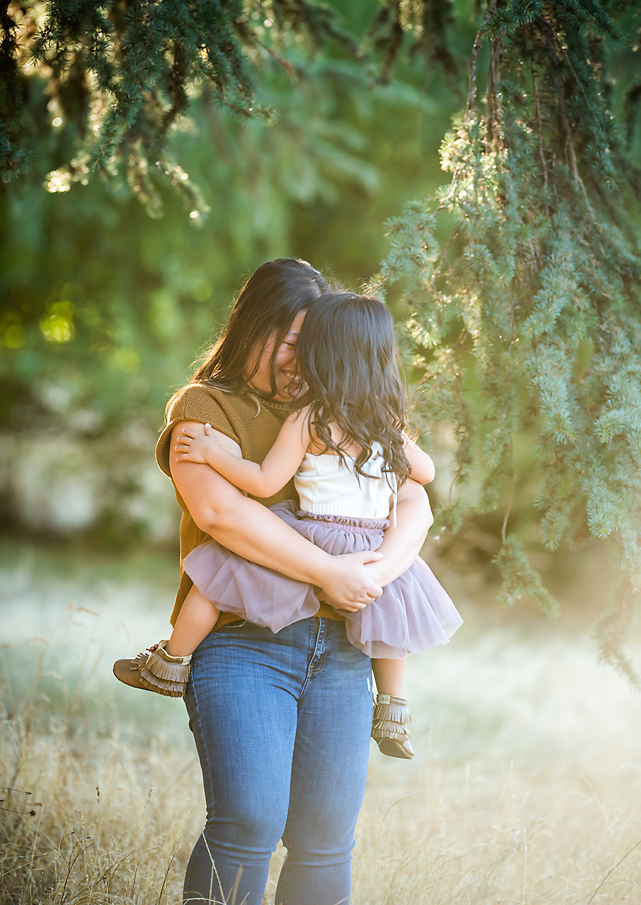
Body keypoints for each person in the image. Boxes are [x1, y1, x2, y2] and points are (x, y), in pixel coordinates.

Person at [114, 259, 435, 905]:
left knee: (323, 836)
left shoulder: (348, 409)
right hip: (245, 645)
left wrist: (377, 572)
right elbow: (220, 513)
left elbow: (416, 501)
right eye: (291, 342)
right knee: (250, 820)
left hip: (343, 650)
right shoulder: (205, 410)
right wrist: (331, 572)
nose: (300, 360)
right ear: (252, 328)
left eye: (312, 346)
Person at [115, 293, 462, 765]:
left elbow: (265, 481)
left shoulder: (309, 418)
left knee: (216, 574)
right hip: (365, 544)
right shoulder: (383, 424)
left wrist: (218, 455)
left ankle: (169, 663)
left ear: (325, 355)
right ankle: (393, 707)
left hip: (315, 535)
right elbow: (425, 473)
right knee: (388, 620)